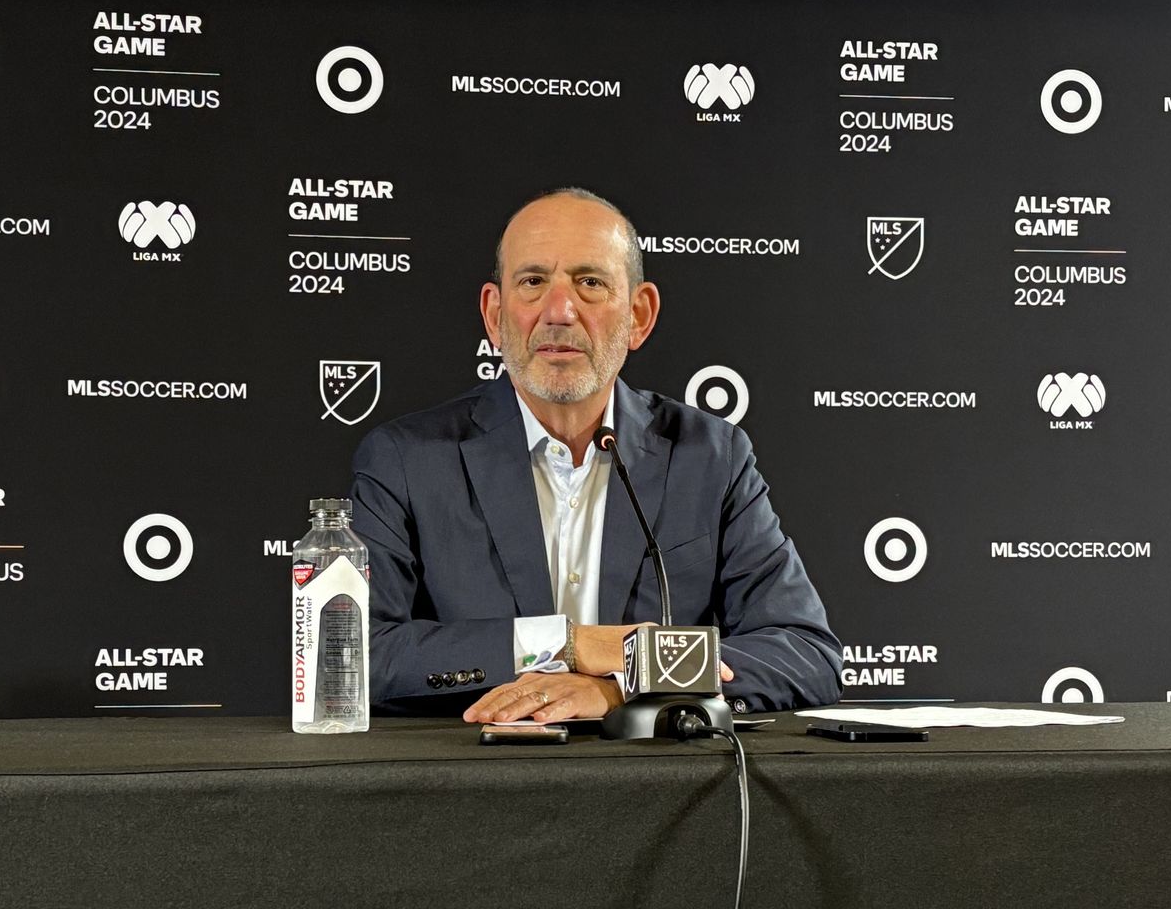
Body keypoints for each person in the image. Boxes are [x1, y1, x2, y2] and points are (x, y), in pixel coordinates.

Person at [350, 187, 841, 721]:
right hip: (475, 787)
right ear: (494, 316)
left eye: (589, 283)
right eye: (533, 282)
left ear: (639, 315)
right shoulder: (406, 459)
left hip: (662, 793)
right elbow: (358, 656)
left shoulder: (711, 456)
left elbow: (804, 651)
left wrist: (627, 690)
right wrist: (567, 644)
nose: (559, 311)